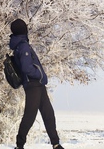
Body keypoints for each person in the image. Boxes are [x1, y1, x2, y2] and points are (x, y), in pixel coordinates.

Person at [9, 18, 64, 149]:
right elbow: (26, 68)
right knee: (30, 115)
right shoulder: (23, 46)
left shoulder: (21, 44)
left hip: (37, 85)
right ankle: (19, 145)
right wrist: (39, 74)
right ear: (24, 30)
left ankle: (56, 144)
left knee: (48, 113)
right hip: (33, 84)